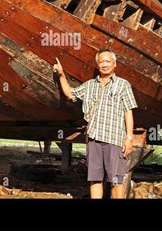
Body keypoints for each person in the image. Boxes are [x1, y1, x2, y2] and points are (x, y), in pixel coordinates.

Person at [53, 48, 138, 198]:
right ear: (97, 65)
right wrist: (61, 75)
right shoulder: (90, 85)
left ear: (114, 64)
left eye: (107, 61)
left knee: (117, 181)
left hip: (115, 139)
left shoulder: (123, 85)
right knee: (95, 179)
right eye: (101, 62)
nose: (104, 64)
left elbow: (128, 112)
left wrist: (129, 138)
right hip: (94, 139)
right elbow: (69, 94)